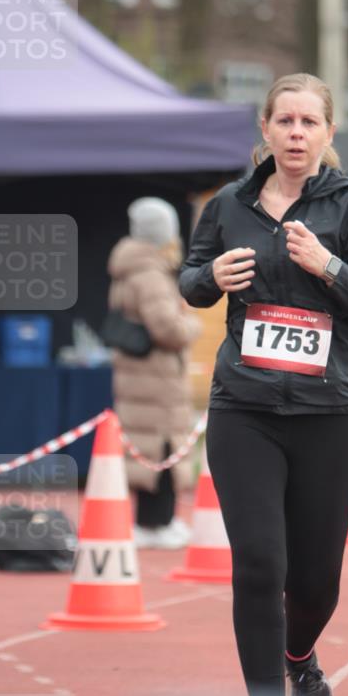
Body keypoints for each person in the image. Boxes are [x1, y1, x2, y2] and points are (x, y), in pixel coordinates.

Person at [179, 72, 348, 696]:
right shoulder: (228, 204)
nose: (296, 133)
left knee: (314, 581)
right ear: (266, 129)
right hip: (243, 407)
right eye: (285, 121)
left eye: (309, 122)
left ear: (329, 132)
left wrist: (327, 266)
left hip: (329, 413)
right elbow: (191, 282)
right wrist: (208, 276)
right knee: (257, 565)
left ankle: (299, 654)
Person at [108, 197, 201, 549]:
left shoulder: (129, 266)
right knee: (162, 447)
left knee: (149, 447)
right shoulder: (150, 274)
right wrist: (192, 325)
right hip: (156, 377)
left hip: (140, 375)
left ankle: (159, 519)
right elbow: (167, 328)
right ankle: (155, 523)